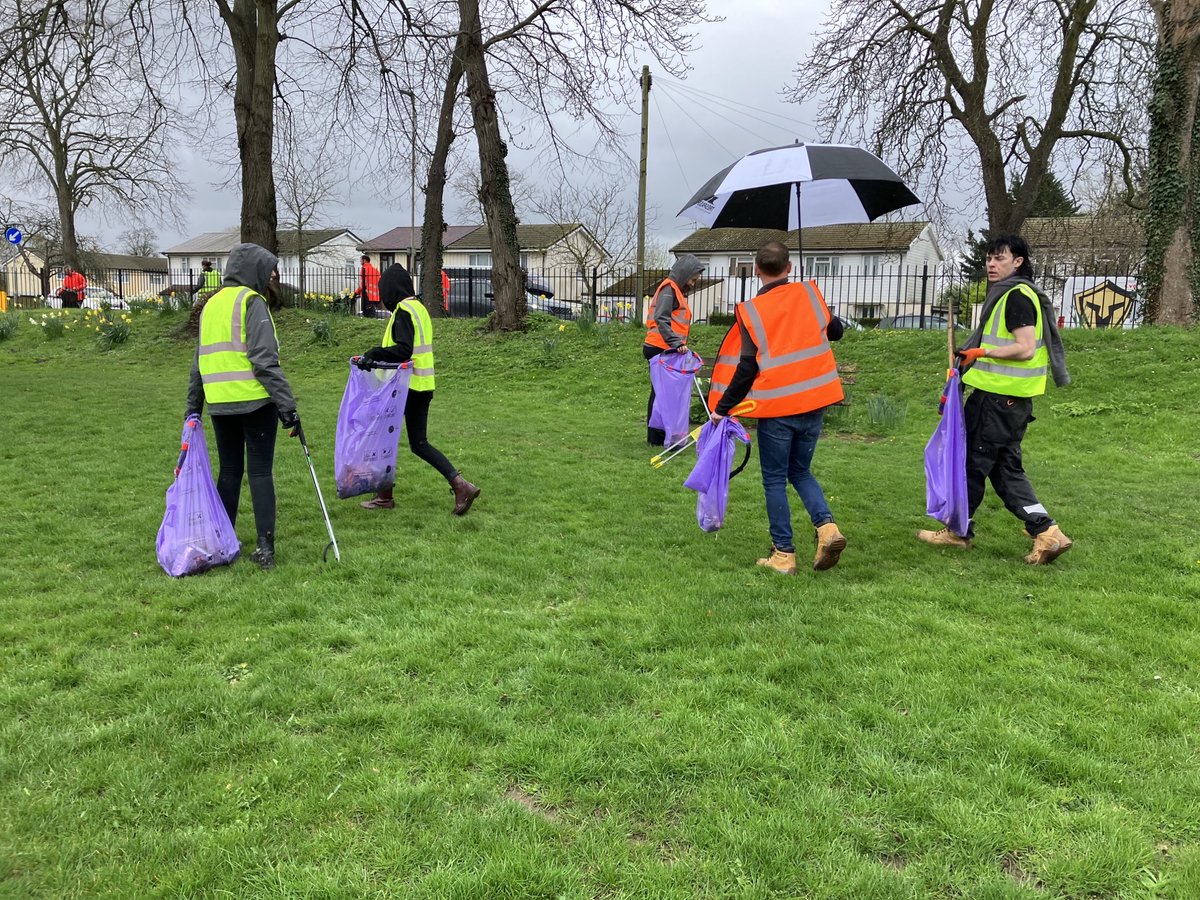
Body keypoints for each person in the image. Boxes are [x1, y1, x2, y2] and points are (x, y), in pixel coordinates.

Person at [917, 234, 1072, 564]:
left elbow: (1025, 347)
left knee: (974, 465)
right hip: (1005, 402)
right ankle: (1046, 531)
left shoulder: (1017, 296)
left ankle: (960, 533)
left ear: (1017, 262)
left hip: (1000, 402)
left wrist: (982, 351)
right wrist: (966, 365)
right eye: (989, 257)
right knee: (1005, 470)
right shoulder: (1006, 295)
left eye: (999, 258)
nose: (991, 263)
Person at [709, 240, 846, 574]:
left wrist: (723, 408)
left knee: (773, 479)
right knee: (800, 470)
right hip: (816, 402)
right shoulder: (811, 295)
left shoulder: (751, 311)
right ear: (789, 268)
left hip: (778, 409)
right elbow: (837, 331)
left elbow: (746, 369)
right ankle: (826, 528)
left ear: (756, 270)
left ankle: (783, 554)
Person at [185, 242, 300, 570]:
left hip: (220, 403)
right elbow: (264, 361)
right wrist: (287, 406)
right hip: (254, 400)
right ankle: (265, 546)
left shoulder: (211, 305)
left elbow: (198, 361)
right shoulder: (253, 302)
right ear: (255, 270)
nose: (270, 277)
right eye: (267, 271)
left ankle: (222, 540)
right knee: (260, 471)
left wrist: (193, 407)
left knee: (230, 471)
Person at [355, 263, 481, 515]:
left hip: (404, 388)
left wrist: (373, 354)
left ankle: (385, 498)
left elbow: (403, 349)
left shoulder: (403, 311)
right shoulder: (419, 308)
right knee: (418, 443)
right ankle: (460, 485)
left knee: (382, 439)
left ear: (391, 291)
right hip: (423, 385)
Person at [643, 253, 704, 445]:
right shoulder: (670, 289)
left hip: (663, 346)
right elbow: (662, 318)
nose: (693, 284)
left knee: (661, 394)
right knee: (662, 395)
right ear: (685, 274)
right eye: (693, 279)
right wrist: (676, 343)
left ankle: (659, 437)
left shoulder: (674, 290)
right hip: (660, 347)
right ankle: (657, 438)